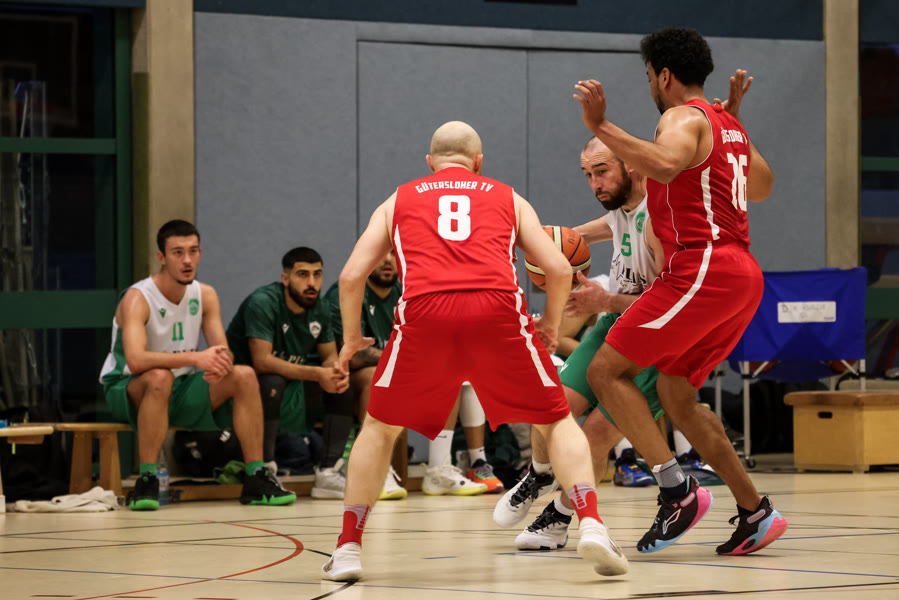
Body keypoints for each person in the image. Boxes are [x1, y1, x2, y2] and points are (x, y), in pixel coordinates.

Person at [321, 120, 628, 581]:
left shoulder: (398, 200)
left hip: (425, 313)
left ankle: (347, 548)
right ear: (479, 162)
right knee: (556, 420)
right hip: (496, 311)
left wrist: (350, 339)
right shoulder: (507, 197)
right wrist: (549, 323)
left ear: (430, 163)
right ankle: (591, 524)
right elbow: (558, 269)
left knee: (379, 428)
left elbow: (350, 276)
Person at [573, 27, 787, 555]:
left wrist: (600, 126)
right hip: (742, 274)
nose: (650, 84)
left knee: (604, 370)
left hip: (702, 267)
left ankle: (676, 490)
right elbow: (763, 186)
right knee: (675, 394)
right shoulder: (724, 124)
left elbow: (665, 164)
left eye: (648, 76)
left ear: (663, 75)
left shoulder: (680, 118)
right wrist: (734, 123)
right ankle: (755, 511)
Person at [496, 137, 717, 552]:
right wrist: (524, 241)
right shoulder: (621, 209)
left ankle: (558, 517)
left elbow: (671, 305)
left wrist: (606, 301)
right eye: (587, 175)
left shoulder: (661, 216)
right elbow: (578, 234)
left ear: (631, 165)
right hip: (615, 323)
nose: (594, 184)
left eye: (601, 172)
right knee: (549, 406)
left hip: (655, 334)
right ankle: (539, 474)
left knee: (594, 438)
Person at [99, 219, 296, 510]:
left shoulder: (205, 295)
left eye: (193, 251)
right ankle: (147, 480)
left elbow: (223, 352)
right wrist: (195, 358)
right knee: (159, 377)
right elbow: (136, 360)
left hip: (180, 388)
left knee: (243, 375)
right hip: (127, 388)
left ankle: (256, 477)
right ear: (161, 257)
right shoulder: (137, 298)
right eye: (178, 252)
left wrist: (220, 365)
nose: (187, 260)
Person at [226, 247, 355, 499]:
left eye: (317, 274)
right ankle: (265, 470)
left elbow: (329, 355)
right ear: (285, 279)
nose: (312, 283)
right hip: (246, 390)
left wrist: (335, 371)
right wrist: (318, 374)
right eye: (303, 275)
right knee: (271, 383)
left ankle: (328, 473)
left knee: (342, 388)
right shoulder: (263, 302)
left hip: (293, 385)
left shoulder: (321, 307)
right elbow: (262, 362)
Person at [323, 250, 408, 499]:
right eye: (381, 253)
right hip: (343, 378)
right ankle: (377, 470)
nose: (388, 260)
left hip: (398, 372)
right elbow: (352, 356)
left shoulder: (407, 293)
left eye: (393, 253)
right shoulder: (350, 291)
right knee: (376, 376)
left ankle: (443, 466)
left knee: (453, 372)